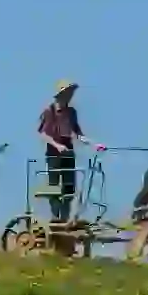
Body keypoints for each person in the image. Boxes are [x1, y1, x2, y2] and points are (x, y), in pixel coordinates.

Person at [37, 80, 106, 222]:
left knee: (69, 187)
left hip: (69, 153)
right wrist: (57, 145)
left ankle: (65, 217)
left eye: (71, 93)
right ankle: (55, 217)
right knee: (55, 188)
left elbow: (78, 134)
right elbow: (42, 134)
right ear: (61, 94)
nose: (71, 95)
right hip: (54, 154)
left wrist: (94, 144)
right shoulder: (49, 111)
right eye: (68, 92)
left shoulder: (71, 112)